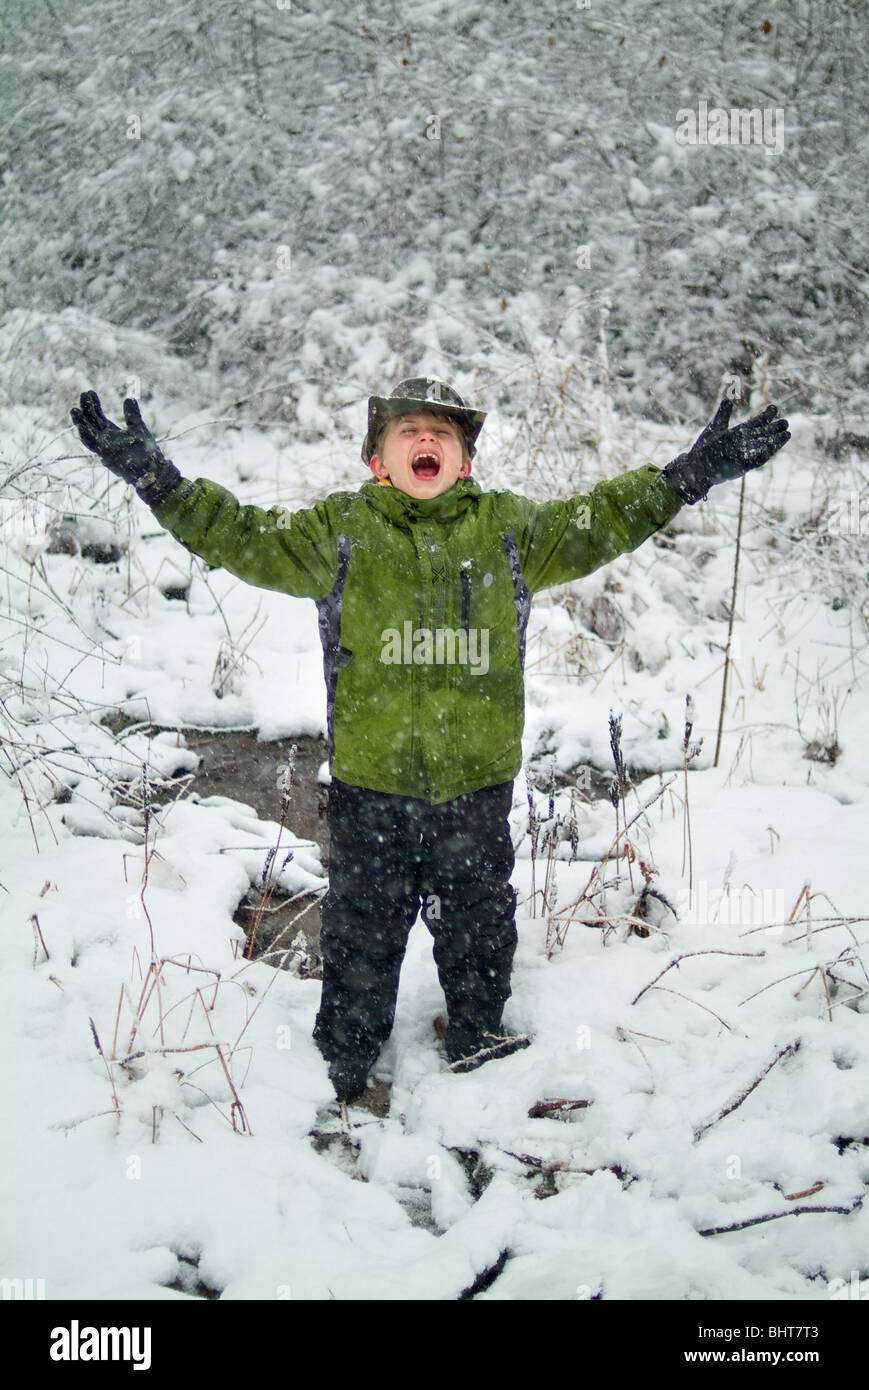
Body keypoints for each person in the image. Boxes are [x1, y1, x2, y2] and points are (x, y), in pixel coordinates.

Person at [70, 378, 790, 1102]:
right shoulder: (338, 532)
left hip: (472, 790)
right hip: (368, 790)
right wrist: (156, 478)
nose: (425, 441)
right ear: (376, 460)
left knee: (479, 934)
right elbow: (240, 538)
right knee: (359, 940)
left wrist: (685, 478)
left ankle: (478, 1049)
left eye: (442, 434)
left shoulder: (510, 531)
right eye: (407, 431)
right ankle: (342, 1071)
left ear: (465, 462)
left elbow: (601, 521)